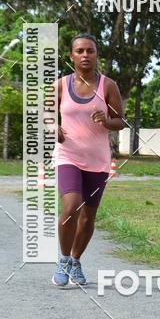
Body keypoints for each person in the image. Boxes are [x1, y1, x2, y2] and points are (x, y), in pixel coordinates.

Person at [53, 34, 125, 287]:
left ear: (96, 55)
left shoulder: (108, 86)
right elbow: (45, 114)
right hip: (68, 156)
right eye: (80, 51)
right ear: (72, 55)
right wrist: (53, 128)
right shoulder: (61, 85)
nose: (85, 55)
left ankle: (75, 260)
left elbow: (121, 121)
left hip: (97, 160)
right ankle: (62, 259)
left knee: (88, 217)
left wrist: (107, 121)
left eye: (90, 51)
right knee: (71, 206)